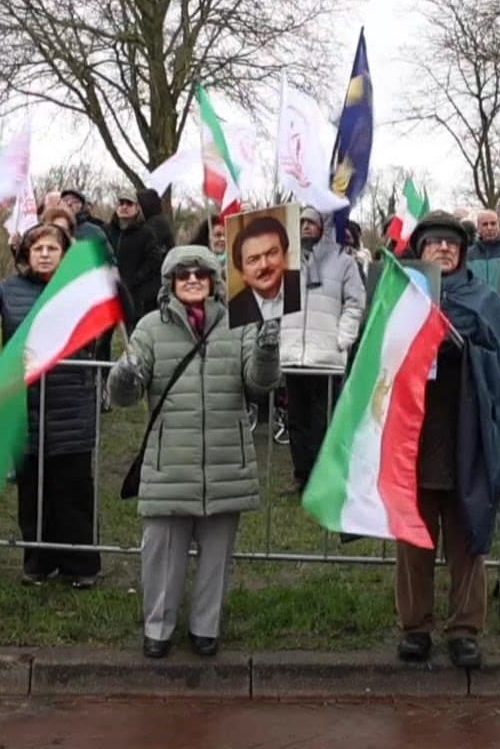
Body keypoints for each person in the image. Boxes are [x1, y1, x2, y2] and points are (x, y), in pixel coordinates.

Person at [109, 245, 281, 659]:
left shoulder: (241, 322)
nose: (191, 280)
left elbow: (260, 384)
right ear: (170, 283)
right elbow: (125, 396)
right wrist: (124, 375)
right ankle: (158, 627)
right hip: (170, 461)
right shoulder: (149, 327)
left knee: (217, 556)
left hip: (226, 460)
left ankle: (207, 627)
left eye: (200, 274)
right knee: (162, 552)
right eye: (183, 274)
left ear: (213, 281)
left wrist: (267, 348)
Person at [395, 211, 500, 670]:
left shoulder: (486, 301)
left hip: (469, 435)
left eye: (451, 243)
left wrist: (467, 351)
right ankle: (416, 627)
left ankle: (465, 628)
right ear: (421, 250)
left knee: (469, 538)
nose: (444, 249)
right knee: (414, 538)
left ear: (463, 251)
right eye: (434, 244)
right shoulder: (401, 299)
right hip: (416, 438)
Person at [0, 222, 102, 587]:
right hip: (24, 406)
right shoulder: (9, 290)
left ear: (64, 254)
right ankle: (38, 561)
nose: (44, 253)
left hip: (70, 403)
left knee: (72, 487)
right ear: (26, 254)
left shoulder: (79, 290)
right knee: (32, 488)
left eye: (51, 248)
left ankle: (81, 565)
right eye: (37, 247)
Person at [279, 206, 367, 492]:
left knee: (323, 419)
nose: (306, 227)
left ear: (324, 227)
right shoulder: (284, 260)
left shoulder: (344, 263)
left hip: (326, 357)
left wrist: (343, 338)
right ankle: (301, 473)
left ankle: (324, 476)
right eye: (302, 221)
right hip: (293, 354)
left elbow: (355, 302)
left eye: (312, 222)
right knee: (297, 419)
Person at [109, 191, 168, 331]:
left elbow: (154, 260)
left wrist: (136, 278)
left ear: (137, 209)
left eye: (129, 204)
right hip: (110, 292)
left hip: (135, 295)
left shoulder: (146, 233)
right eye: (121, 203)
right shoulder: (109, 231)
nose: (124, 207)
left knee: (134, 333)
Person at [226, 214, 296, 326]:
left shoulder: (304, 283)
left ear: (285, 255)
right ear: (242, 273)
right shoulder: (232, 312)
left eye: (272, 253)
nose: (264, 265)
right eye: (253, 259)